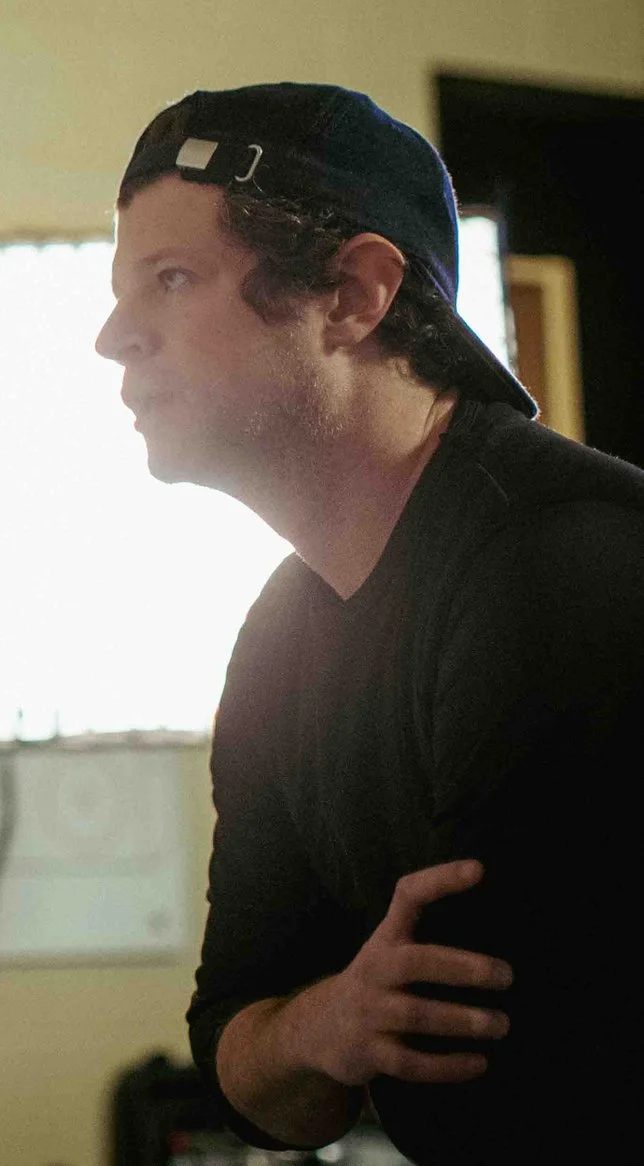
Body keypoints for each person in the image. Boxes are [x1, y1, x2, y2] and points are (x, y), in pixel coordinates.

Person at [96, 82, 642, 1161]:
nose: (114, 336)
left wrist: (313, 1030)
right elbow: (245, 1070)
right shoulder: (277, 639)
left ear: (352, 294)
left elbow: (507, 1077)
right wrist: (324, 1021)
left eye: (169, 280)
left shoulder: (561, 562)